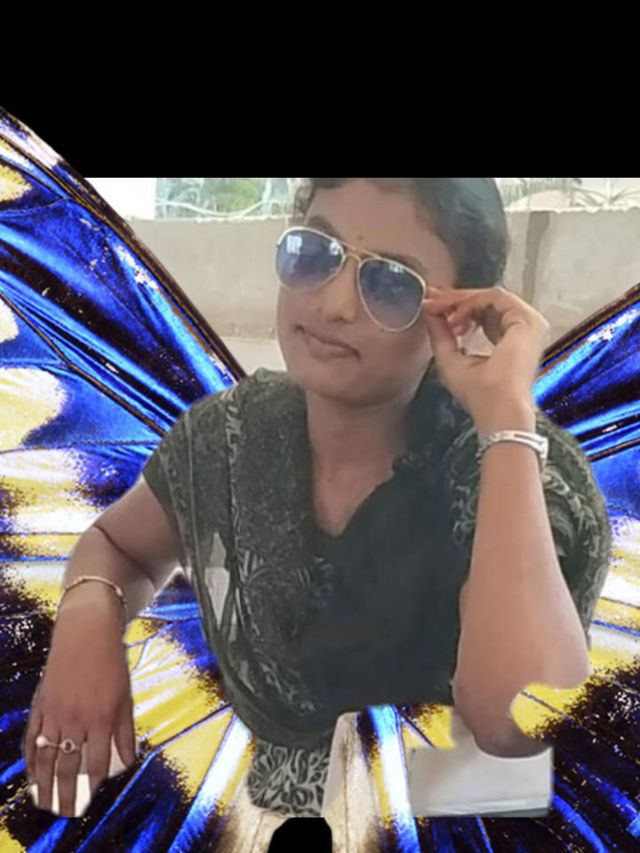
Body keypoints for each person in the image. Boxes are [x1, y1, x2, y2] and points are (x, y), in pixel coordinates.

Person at [22, 179, 613, 827]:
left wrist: (505, 419)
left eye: (391, 283)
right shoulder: (234, 435)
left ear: (461, 315)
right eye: (314, 253)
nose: (333, 304)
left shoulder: (519, 476)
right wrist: (88, 621)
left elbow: (521, 726)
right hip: (240, 820)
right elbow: (119, 545)